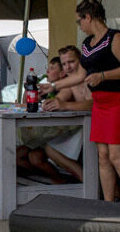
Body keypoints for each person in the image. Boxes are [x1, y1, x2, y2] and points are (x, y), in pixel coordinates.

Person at [44, 0, 120, 202]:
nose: (80, 25)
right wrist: (52, 85)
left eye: (80, 21)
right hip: (101, 104)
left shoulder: (115, 37)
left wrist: (104, 75)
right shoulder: (87, 44)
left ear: (88, 17)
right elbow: (80, 74)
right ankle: (108, 203)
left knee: (117, 156)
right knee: (103, 156)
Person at [38, 45, 94, 180]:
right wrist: (44, 99)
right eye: (64, 64)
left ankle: (88, 183)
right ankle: (85, 182)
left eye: (71, 62)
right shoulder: (71, 82)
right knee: (49, 148)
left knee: (49, 148)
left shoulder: (90, 76)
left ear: (80, 61)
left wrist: (65, 105)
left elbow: (93, 104)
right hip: (83, 127)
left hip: (98, 126)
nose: (68, 67)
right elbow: (59, 99)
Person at [17, 55, 73, 183]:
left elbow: (46, 106)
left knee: (34, 157)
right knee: (15, 156)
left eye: (52, 68)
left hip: (57, 137)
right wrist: (29, 88)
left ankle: (58, 181)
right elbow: (27, 102)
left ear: (62, 74)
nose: (48, 71)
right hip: (42, 136)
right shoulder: (47, 89)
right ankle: (43, 177)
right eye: (48, 67)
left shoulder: (63, 90)